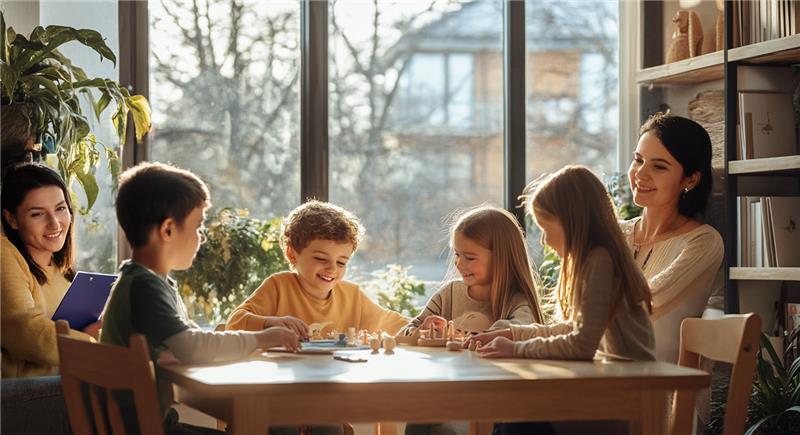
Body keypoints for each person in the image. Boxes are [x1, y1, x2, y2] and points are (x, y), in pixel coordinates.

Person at [101, 162, 302, 435]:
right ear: (168, 230)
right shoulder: (144, 287)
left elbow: (182, 342)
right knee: (274, 425)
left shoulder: (139, 280)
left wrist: (231, 342)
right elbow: (192, 347)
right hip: (153, 430)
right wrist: (262, 338)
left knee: (275, 424)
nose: (202, 237)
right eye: (197, 227)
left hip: (145, 426)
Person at [467, 165, 655, 435]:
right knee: (510, 411)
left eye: (545, 228)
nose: (543, 241)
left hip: (623, 397)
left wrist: (516, 349)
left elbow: (581, 345)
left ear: (571, 221)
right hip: (610, 385)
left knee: (516, 414)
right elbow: (572, 328)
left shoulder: (600, 260)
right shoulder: (591, 261)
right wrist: (513, 333)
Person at [402, 205, 545, 435]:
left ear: (501, 258)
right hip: (446, 397)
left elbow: (517, 331)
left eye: (469, 257)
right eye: (457, 254)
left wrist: (461, 336)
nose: (459, 263)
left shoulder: (517, 301)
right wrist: (424, 331)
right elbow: (408, 331)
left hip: (495, 405)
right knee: (421, 420)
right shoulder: (449, 294)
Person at [0, 162, 97, 434]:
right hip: (12, 393)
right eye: (37, 214)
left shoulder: (64, 274)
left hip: (58, 383)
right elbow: (24, 328)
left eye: (60, 208)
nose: (55, 224)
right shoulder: (3, 252)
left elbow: (73, 334)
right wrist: (95, 347)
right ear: (12, 219)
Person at [623, 112, 724, 364]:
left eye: (659, 166)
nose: (641, 174)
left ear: (690, 179)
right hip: (606, 382)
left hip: (663, 396)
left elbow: (643, 304)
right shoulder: (615, 232)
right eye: (638, 160)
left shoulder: (703, 242)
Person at [226, 200, 409, 337]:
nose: (332, 269)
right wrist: (270, 323)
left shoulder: (352, 296)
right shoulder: (278, 287)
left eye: (341, 262)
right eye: (321, 258)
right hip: (288, 381)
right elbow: (234, 323)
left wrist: (422, 325)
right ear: (292, 254)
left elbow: (392, 322)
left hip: (336, 381)